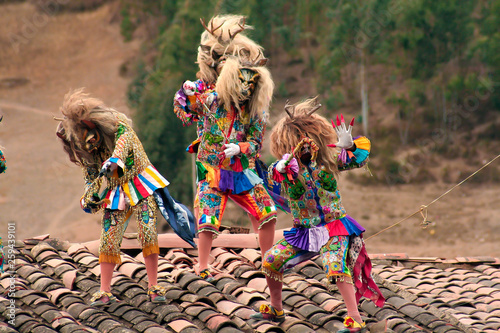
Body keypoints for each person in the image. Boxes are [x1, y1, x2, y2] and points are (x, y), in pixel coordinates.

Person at [251, 98, 385, 332]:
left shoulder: (328, 163)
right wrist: (281, 167)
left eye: (307, 145)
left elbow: (359, 159)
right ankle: (276, 307)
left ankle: (355, 318)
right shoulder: (285, 170)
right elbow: (272, 175)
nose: (303, 150)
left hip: (334, 228)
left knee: (334, 264)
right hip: (303, 232)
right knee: (271, 260)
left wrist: (351, 146)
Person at [55, 89, 171, 306]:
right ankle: (104, 290)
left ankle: (154, 285)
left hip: (140, 181)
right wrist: (89, 198)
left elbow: (126, 138)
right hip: (117, 190)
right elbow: (91, 177)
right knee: (108, 238)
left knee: (147, 231)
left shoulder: (116, 123)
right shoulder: (86, 148)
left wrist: (116, 159)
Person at [173, 54, 277, 282]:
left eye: (251, 86)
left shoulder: (257, 113)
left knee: (267, 212)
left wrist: (240, 148)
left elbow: (256, 144)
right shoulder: (212, 100)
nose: (246, 90)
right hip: (212, 170)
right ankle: (201, 265)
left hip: (241, 173)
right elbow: (190, 110)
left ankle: (268, 261)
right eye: (242, 83)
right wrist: (188, 94)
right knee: (208, 220)